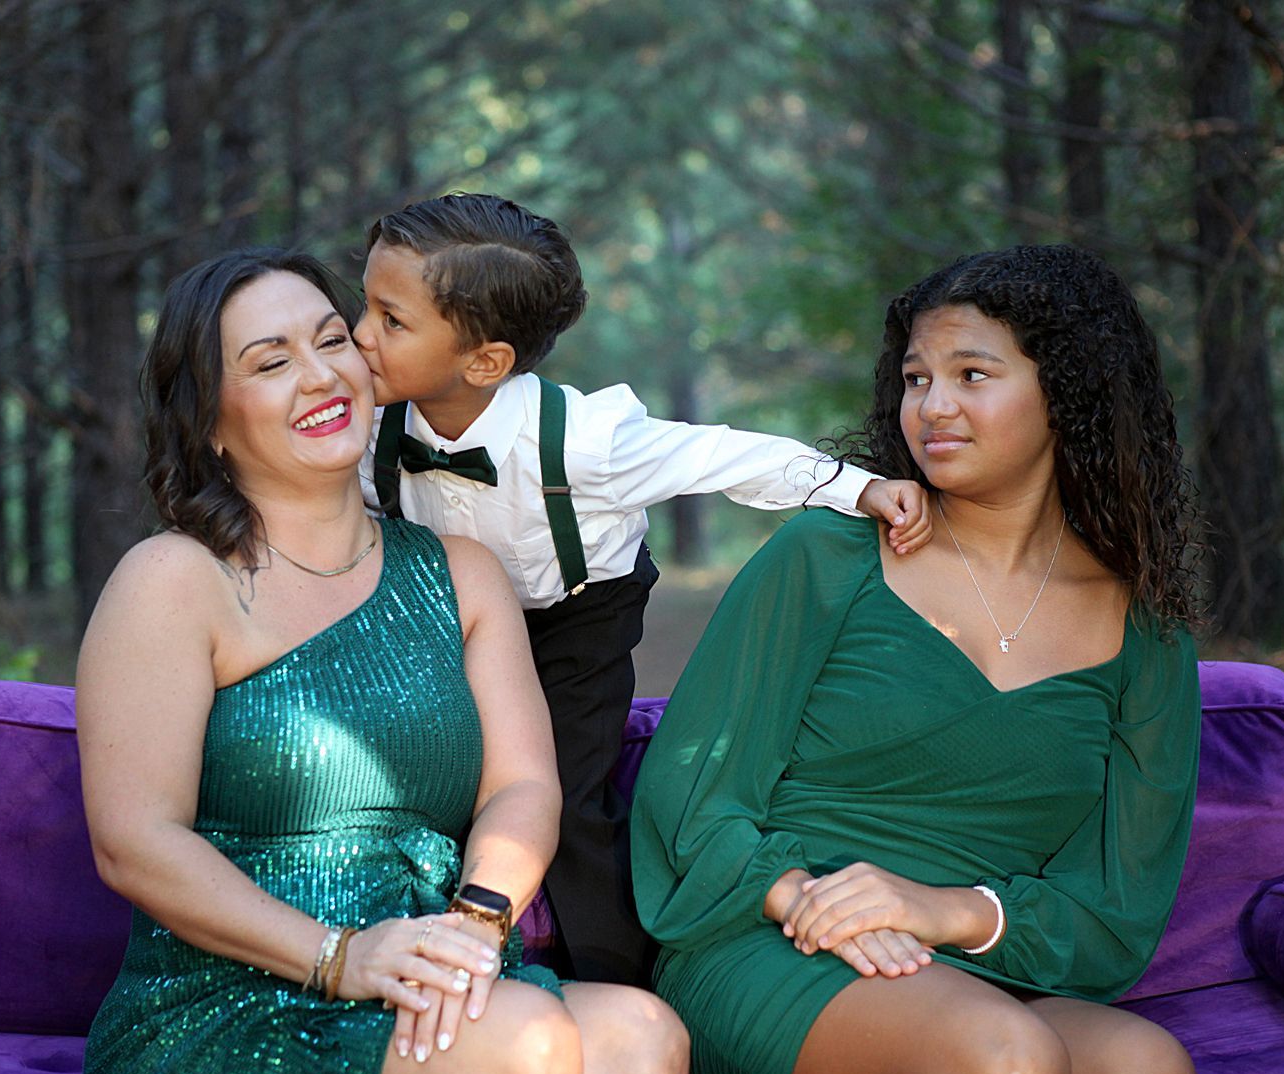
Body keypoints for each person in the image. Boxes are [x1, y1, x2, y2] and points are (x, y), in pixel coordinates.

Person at [77, 247, 687, 1074]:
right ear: (210, 418)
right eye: (270, 361)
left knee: (642, 1037)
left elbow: (522, 786)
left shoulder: (460, 572)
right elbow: (134, 842)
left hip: (425, 960)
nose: (321, 374)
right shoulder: (175, 580)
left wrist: (481, 923)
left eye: (332, 340)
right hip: (232, 999)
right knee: (520, 1046)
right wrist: (340, 957)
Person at [632, 243, 1204, 1074]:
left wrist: (944, 911)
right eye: (915, 378)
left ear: (1067, 393)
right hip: (768, 942)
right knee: (1003, 1062)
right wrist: (817, 901)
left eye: (972, 375)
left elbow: (1116, 909)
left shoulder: (1143, 631)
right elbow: (691, 804)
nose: (932, 407)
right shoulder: (827, 557)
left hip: (971, 970)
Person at [354, 192, 934, 987]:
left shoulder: (589, 443)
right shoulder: (370, 430)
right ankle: (412, 932)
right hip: (447, 612)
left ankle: (609, 972)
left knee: (564, 785)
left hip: (578, 616)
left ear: (484, 361)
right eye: (366, 307)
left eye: (391, 320)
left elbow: (727, 458)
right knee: (435, 763)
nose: (358, 336)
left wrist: (854, 488)